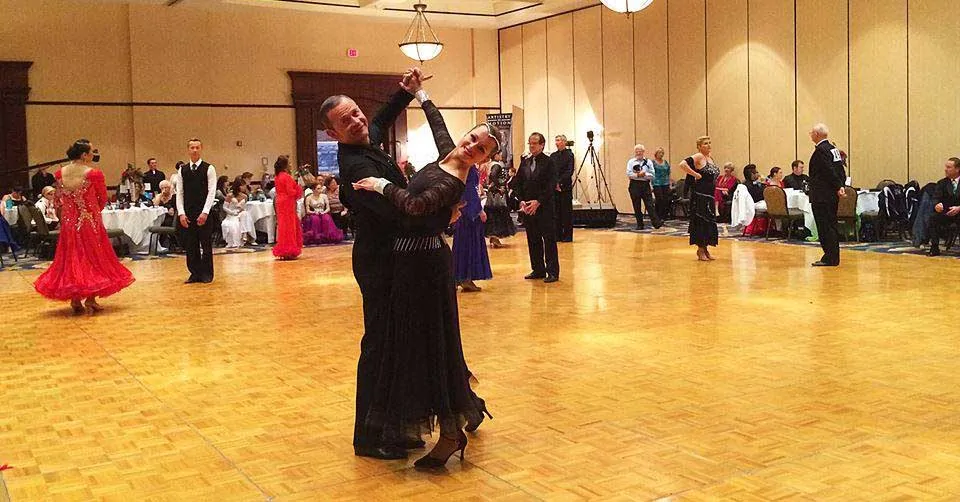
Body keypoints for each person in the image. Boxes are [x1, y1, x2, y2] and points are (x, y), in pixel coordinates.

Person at [351, 67, 499, 469]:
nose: (471, 147)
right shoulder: (447, 153)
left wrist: (381, 185)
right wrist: (420, 93)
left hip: (425, 265)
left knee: (433, 344)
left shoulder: (456, 180)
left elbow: (415, 206)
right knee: (419, 345)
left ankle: (451, 433)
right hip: (408, 262)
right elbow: (438, 124)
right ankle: (461, 407)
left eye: (480, 149)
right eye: (472, 138)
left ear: (484, 160)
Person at [326, 71, 456, 461]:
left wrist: (406, 91)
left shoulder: (369, 140)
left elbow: (380, 117)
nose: (356, 120)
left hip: (397, 260)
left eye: (355, 113)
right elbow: (398, 216)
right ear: (334, 135)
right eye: (345, 120)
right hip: (379, 263)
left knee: (396, 346)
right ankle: (367, 438)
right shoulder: (354, 168)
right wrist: (442, 215)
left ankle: (393, 426)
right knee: (379, 346)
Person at [34, 139, 134, 314]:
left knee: (71, 257)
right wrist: (91, 211)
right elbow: (102, 198)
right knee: (92, 257)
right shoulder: (94, 174)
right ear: (84, 155)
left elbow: (58, 200)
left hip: (69, 222)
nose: (93, 155)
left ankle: (75, 299)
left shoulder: (59, 174)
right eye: (91, 152)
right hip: (89, 221)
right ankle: (90, 298)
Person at [513, 132, 560, 283]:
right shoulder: (525, 162)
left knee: (549, 239)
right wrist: (521, 200)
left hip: (544, 207)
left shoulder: (549, 162)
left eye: (534, 143)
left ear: (542, 145)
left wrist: (538, 202)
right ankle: (538, 269)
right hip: (528, 208)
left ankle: (552, 271)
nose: (531, 146)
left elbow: (551, 185)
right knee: (533, 239)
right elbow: (518, 183)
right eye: (530, 143)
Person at [177, 138, 217, 283]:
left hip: (204, 212)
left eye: (197, 147)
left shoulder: (209, 168)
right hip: (188, 212)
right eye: (192, 147)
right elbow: (179, 192)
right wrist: (181, 213)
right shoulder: (182, 170)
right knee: (191, 245)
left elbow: (211, 191)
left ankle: (207, 274)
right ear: (188, 150)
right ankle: (194, 273)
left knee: (206, 244)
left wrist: (205, 212)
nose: (194, 150)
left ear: (201, 149)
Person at [807, 123, 847, 267]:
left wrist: (838, 185)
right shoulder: (833, 149)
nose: (810, 134)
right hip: (831, 195)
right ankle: (832, 256)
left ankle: (830, 257)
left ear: (817, 134)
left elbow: (829, 170)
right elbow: (840, 170)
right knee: (831, 225)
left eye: (811, 132)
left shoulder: (821, 151)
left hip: (822, 195)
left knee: (825, 226)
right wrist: (841, 185)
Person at [678, 136, 720, 261]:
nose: (708, 145)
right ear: (699, 146)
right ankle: (700, 250)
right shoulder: (698, 156)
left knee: (709, 222)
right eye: (705, 144)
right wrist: (696, 174)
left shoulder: (710, 158)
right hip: (700, 195)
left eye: (709, 143)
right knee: (701, 222)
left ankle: (706, 249)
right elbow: (682, 164)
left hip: (710, 195)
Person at [452, 165, 492, 292]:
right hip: (469, 213)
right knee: (468, 244)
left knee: (462, 243)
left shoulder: (465, 166)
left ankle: (459, 277)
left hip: (464, 211)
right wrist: (479, 211)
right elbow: (469, 190)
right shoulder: (468, 167)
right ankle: (464, 277)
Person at [271, 155, 304, 260]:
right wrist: (298, 188)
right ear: (285, 165)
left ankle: (284, 248)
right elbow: (291, 192)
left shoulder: (277, 176)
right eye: (289, 163)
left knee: (283, 225)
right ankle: (289, 250)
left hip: (280, 202)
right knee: (290, 225)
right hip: (287, 203)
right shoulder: (286, 177)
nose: (290, 165)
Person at [926, 157, 960, 256]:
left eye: (949, 167)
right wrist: (937, 204)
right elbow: (935, 198)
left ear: (957, 169)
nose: (946, 169)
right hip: (946, 212)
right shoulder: (942, 183)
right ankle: (934, 247)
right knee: (933, 218)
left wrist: (958, 208)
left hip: (959, 212)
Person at [483, 153, 516, 247]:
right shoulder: (496, 165)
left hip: (492, 193)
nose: (501, 155)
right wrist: (499, 187)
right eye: (499, 154)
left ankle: (493, 238)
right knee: (498, 214)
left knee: (493, 214)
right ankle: (495, 237)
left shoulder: (491, 164)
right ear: (495, 155)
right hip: (496, 195)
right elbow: (493, 176)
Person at [626, 144, 663, 230]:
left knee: (650, 205)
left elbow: (652, 175)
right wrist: (638, 175)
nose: (638, 153)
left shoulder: (648, 162)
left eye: (640, 151)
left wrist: (644, 174)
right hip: (634, 185)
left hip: (645, 185)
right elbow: (629, 174)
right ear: (635, 152)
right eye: (637, 151)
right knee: (636, 205)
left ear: (643, 152)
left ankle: (656, 223)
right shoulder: (631, 162)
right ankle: (640, 224)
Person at [550, 134, 575, 242]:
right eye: (556, 140)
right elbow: (550, 171)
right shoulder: (553, 156)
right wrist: (554, 183)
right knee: (556, 213)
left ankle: (567, 236)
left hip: (565, 188)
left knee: (566, 213)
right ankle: (557, 235)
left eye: (559, 140)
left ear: (564, 142)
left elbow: (569, 171)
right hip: (554, 188)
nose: (557, 142)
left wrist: (560, 183)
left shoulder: (569, 155)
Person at [652, 147, 671, 221]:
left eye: (662, 153)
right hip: (656, 183)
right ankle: (658, 215)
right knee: (659, 199)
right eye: (659, 153)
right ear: (656, 154)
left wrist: (669, 181)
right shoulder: (653, 162)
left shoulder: (665, 162)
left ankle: (664, 216)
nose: (661, 154)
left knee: (666, 200)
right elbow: (651, 173)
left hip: (665, 182)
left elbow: (668, 172)